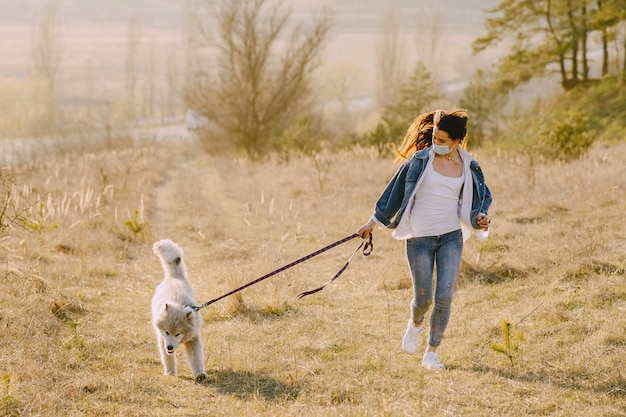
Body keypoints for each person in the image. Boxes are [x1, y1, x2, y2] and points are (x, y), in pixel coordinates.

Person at [356, 109, 492, 370]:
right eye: (434, 139)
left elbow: (480, 202)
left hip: (451, 237)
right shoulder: (420, 161)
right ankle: (415, 323)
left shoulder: (470, 167)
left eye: (442, 141)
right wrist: (372, 224)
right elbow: (392, 194)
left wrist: (481, 218)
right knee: (424, 298)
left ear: (457, 141)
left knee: (444, 297)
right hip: (420, 238)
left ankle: (431, 353)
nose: (436, 145)